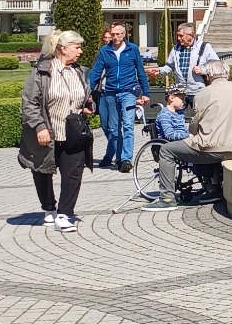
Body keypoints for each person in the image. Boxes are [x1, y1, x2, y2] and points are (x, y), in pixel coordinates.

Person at [146, 61, 232, 211]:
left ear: (208, 76)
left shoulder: (203, 94)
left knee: (167, 150)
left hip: (212, 148)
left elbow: (194, 127)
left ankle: (167, 198)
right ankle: (213, 188)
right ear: (228, 74)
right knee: (208, 146)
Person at [20, 30, 95, 232]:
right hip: (48, 133)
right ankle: (49, 208)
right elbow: (29, 104)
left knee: (73, 174)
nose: (80, 51)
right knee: (42, 171)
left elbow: (84, 97)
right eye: (77, 47)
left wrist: (89, 105)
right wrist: (39, 127)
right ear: (63, 49)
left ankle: (64, 214)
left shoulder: (79, 71)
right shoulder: (42, 72)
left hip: (74, 132)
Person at [87, 22, 152, 172]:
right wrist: (87, 92)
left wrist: (146, 93)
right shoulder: (105, 50)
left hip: (128, 91)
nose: (115, 37)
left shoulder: (132, 49)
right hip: (110, 92)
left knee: (128, 125)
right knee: (113, 128)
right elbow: (96, 72)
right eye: (113, 34)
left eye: (118, 34)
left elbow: (140, 71)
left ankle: (126, 159)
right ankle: (119, 157)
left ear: (124, 34)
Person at [163, 23, 220, 113]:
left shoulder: (204, 47)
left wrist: (203, 70)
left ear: (191, 35)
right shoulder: (175, 49)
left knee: (201, 117)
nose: (178, 39)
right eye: (178, 36)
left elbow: (217, 65)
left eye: (181, 36)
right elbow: (169, 66)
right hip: (180, 91)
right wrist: (159, 71)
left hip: (198, 91)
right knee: (177, 118)